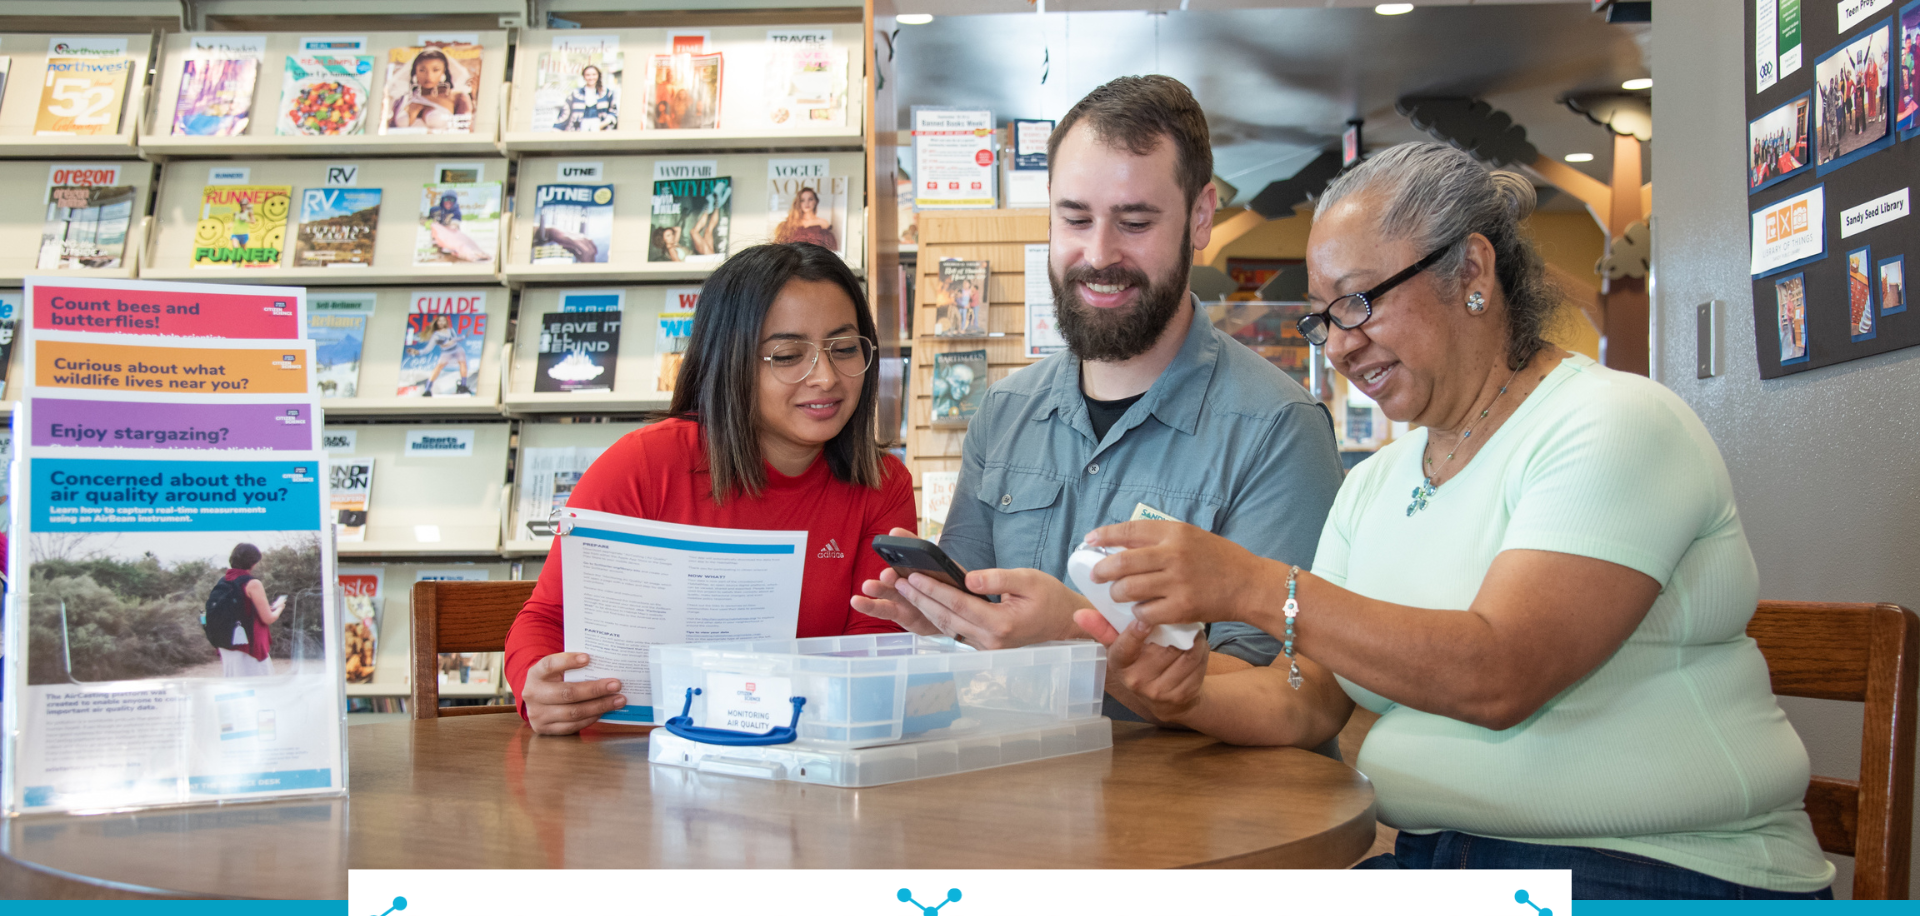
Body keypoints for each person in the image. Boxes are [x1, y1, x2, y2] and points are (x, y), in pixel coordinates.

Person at [1079, 142, 1835, 899]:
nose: (1341, 342)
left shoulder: (1614, 423)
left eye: (1359, 300)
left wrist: (1252, 587)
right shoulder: (1373, 484)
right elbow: (1304, 700)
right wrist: (1181, 692)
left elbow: (1501, 674)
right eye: (1323, 318)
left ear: (1472, 271)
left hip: (1670, 883)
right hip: (1442, 868)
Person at [852, 75, 1346, 738]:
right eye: (1075, 219)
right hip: (1024, 802)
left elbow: (1295, 695)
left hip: (1197, 827)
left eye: (1135, 222)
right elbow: (982, 637)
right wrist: (945, 619)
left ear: (1201, 217)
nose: (1099, 254)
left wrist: (1076, 639)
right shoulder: (1003, 414)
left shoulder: (1279, 430)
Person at [506, 242, 914, 735]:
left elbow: (873, 655)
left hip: (802, 763)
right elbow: (548, 617)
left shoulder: (883, 485)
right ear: (730, 360)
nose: (826, 377)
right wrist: (539, 683)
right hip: (641, 758)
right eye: (787, 355)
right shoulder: (642, 465)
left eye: (845, 349)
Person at [214, 543, 285, 678]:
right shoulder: (252, 583)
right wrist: (279, 608)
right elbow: (268, 618)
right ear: (253, 562)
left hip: (226, 641)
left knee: (235, 685)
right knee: (259, 686)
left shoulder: (223, 581)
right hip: (248, 643)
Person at [388, 47, 473, 132]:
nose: (429, 76)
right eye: (422, 70)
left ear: (443, 72)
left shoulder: (458, 97)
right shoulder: (401, 100)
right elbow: (388, 130)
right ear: (415, 72)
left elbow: (466, 131)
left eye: (435, 70)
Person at [772, 187, 837, 251]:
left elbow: (830, 249)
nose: (806, 203)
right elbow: (779, 247)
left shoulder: (823, 223)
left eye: (810, 199)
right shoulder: (789, 223)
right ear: (798, 203)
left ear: (816, 201)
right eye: (802, 200)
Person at [561, 65, 617, 132]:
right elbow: (565, 112)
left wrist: (604, 123)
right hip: (581, 128)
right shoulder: (576, 93)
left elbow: (613, 111)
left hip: (600, 128)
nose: (591, 77)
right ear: (584, 76)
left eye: (594, 74)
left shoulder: (606, 93)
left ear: (598, 75)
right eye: (588, 75)